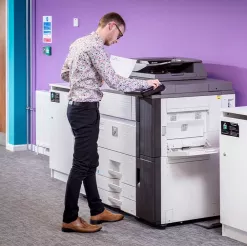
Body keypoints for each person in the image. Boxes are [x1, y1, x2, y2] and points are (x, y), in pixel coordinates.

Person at [60, 12, 160, 233]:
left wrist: (89, 76)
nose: (117, 41)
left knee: (90, 161)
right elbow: (115, 82)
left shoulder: (78, 42)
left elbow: (65, 73)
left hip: (77, 108)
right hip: (85, 110)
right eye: (119, 35)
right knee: (80, 165)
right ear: (111, 26)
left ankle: (97, 210)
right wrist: (146, 84)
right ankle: (70, 218)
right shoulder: (96, 47)